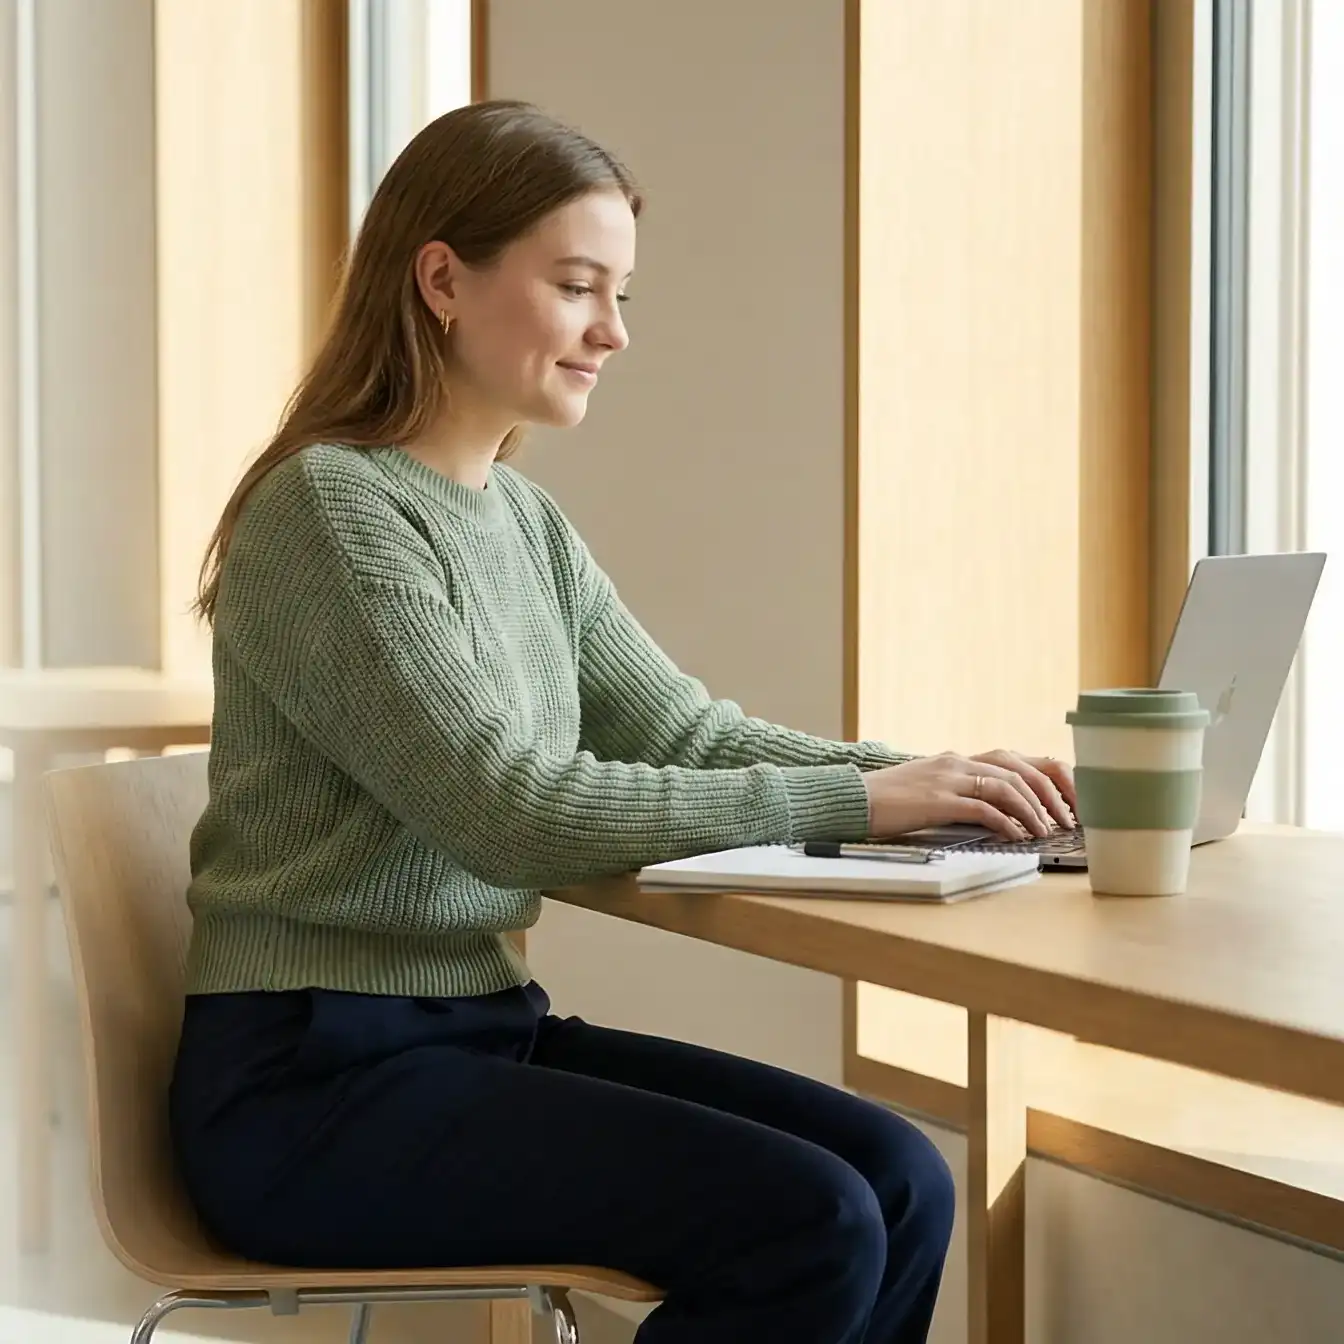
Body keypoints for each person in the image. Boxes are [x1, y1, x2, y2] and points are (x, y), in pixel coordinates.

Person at [169, 100, 1076, 1344]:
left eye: (622, 295)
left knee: (902, 1182)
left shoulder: (522, 525)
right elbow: (511, 808)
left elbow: (688, 736)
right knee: (809, 1220)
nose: (614, 332)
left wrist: (931, 775)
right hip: (310, 1087)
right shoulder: (331, 510)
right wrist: (866, 802)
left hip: (476, 1033)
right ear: (442, 278)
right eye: (580, 287)